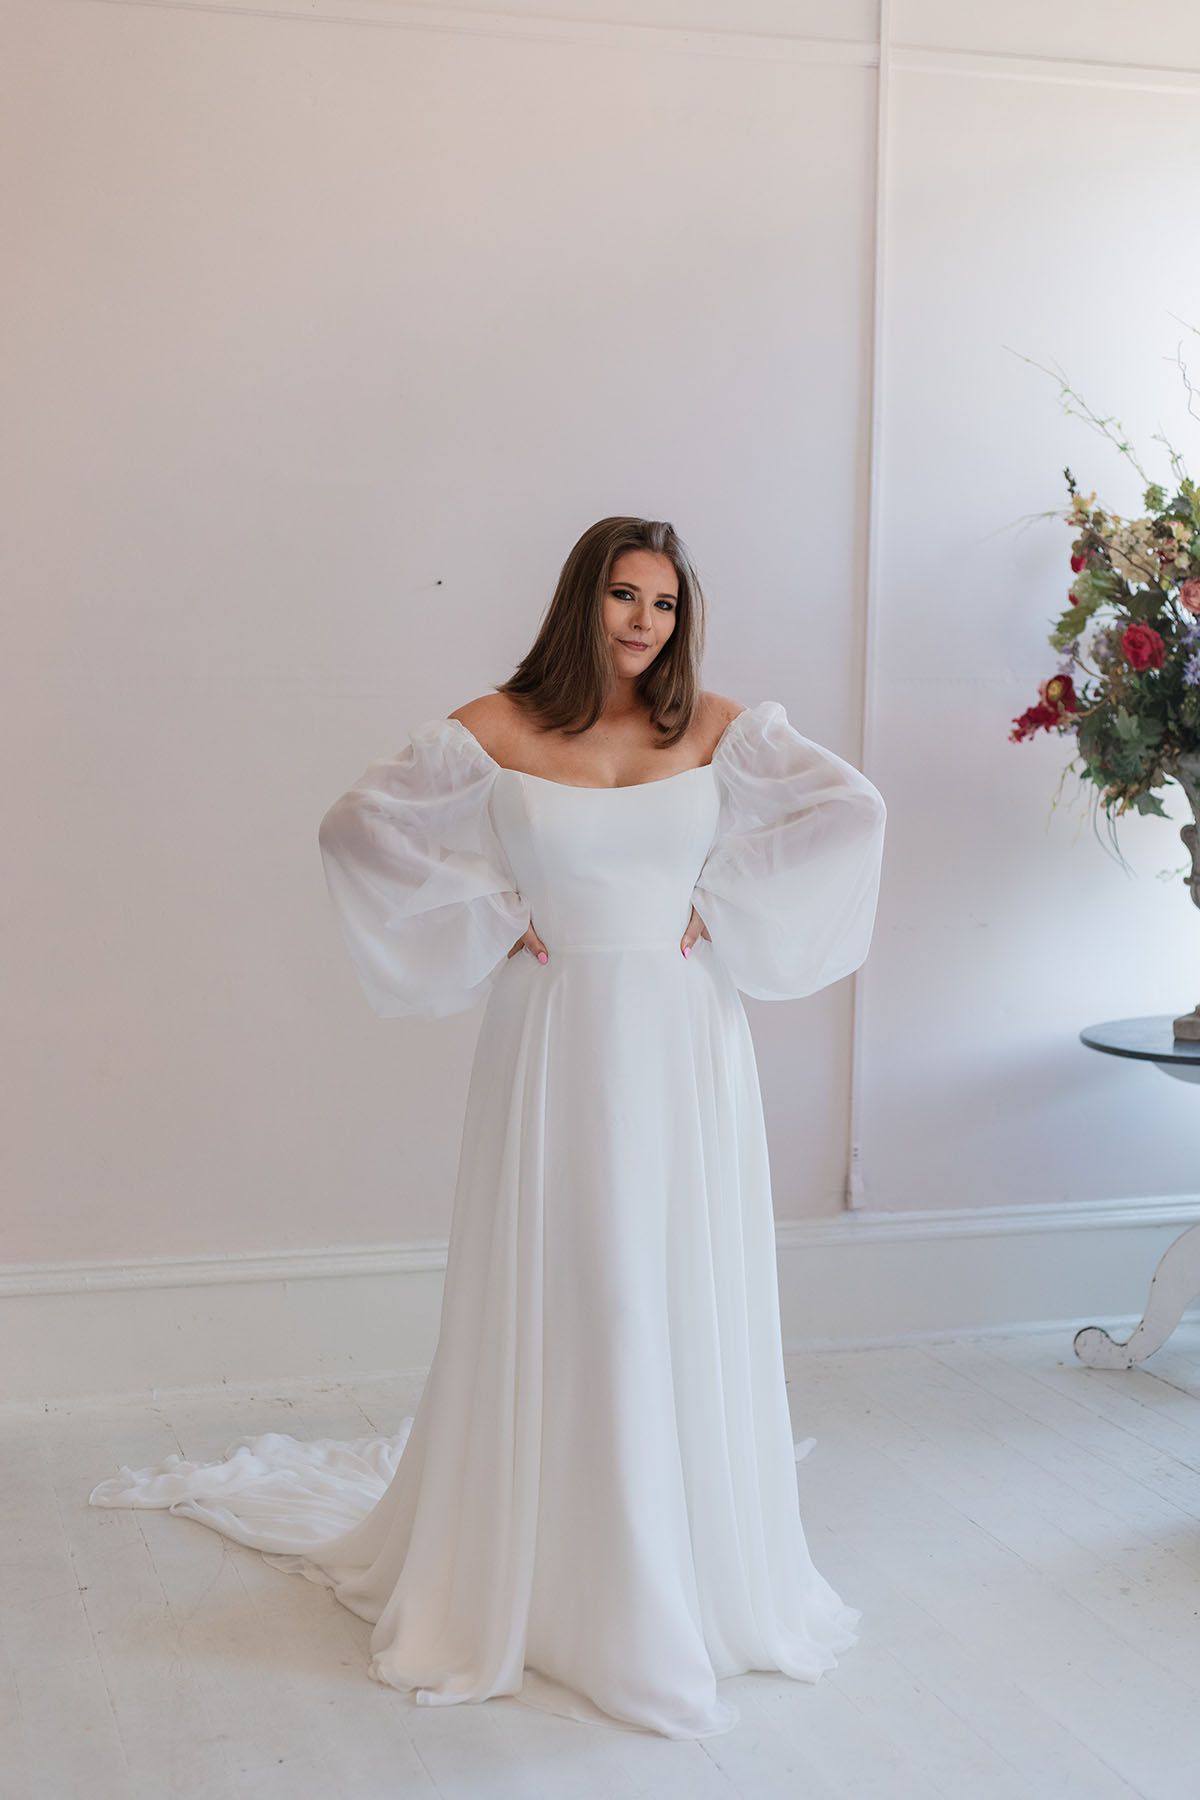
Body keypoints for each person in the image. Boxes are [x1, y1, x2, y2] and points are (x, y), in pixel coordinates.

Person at [89, 516, 887, 1740]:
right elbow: (356, 825)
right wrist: (491, 906)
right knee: (581, 1290)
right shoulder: (502, 726)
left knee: (661, 1290)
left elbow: (852, 810)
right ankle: (566, 1589)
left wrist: (715, 907)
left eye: (665, 605)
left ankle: (668, 1586)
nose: (643, 623)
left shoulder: (716, 728)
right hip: (556, 1036)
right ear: (585, 599)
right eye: (624, 596)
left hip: (680, 1040)